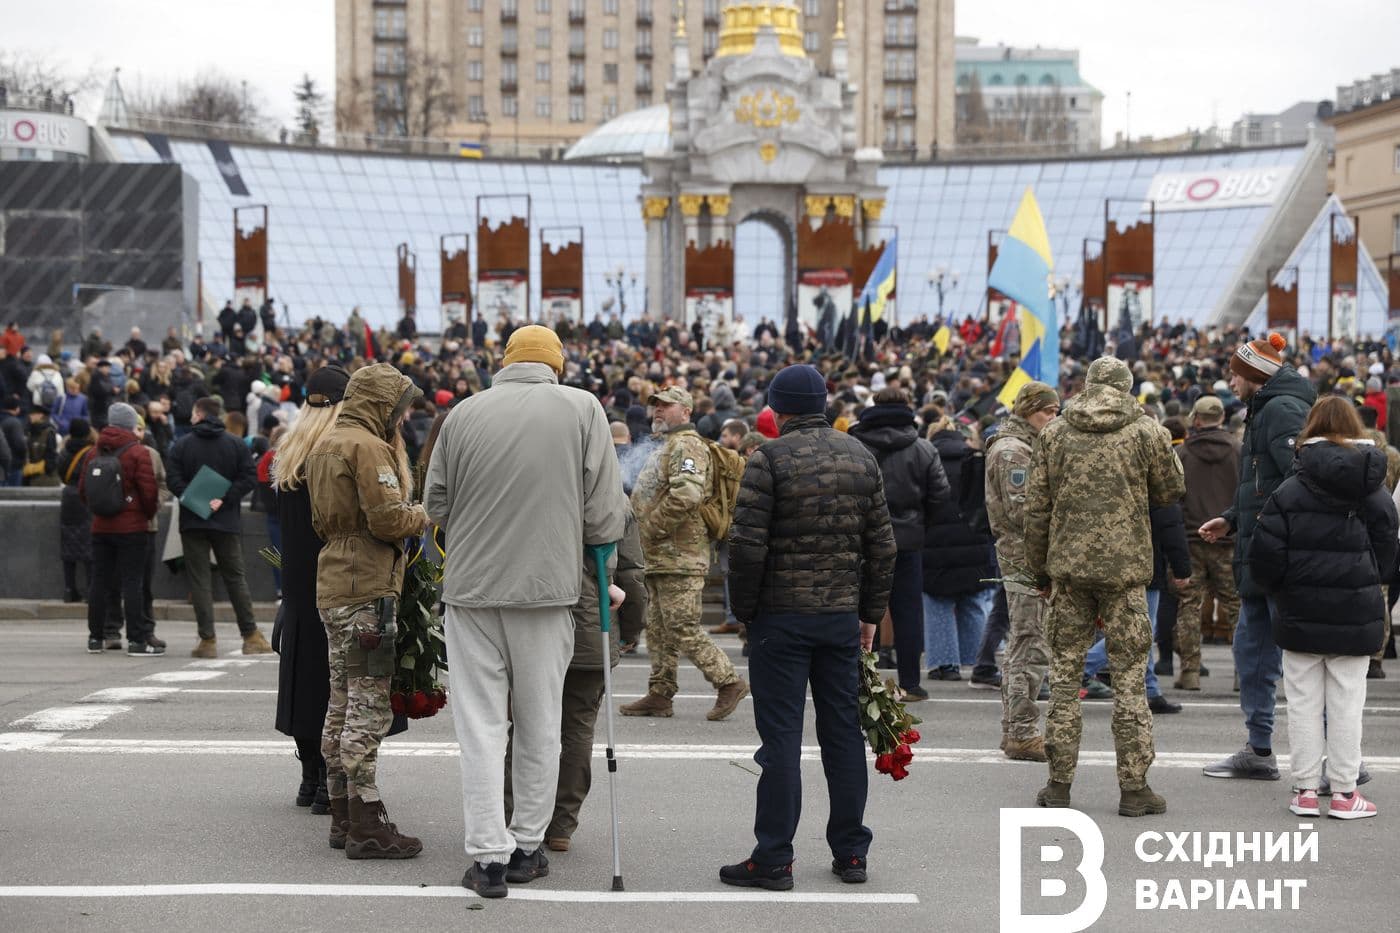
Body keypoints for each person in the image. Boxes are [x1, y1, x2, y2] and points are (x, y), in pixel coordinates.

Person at [424, 325, 627, 898]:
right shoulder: (583, 408)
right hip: (546, 592)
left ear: (505, 362)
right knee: (540, 725)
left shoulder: (463, 413)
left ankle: (487, 858)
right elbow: (605, 514)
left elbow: (435, 503)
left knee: (481, 729)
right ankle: (527, 847)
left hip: (470, 592)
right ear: (556, 365)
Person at [720, 363, 896, 890]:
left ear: (777, 408)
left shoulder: (768, 458)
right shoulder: (859, 456)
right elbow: (883, 547)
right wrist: (869, 614)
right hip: (839, 616)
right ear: (823, 403)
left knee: (781, 741)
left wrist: (746, 613)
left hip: (782, 616)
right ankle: (851, 853)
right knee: (842, 735)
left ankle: (773, 857)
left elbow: (747, 547)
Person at [1024, 356, 1184, 816]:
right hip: (1125, 573)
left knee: (1064, 680)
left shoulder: (1055, 432)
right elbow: (1172, 488)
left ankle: (1058, 786)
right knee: (1131, 683)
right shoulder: (1146, 429)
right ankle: (1134, 789)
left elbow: (1036, 510)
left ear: (1089, 385)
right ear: (1126, 384)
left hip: (1069, 575)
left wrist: (1039, 572)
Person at [1247, 397, 1397, 819]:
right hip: (1356, 609)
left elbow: (1265, 556)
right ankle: (1347, 794)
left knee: (1302, 703)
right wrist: (1369, 579)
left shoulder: (1291, 488)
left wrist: (1282, 589)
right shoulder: (1373, 487)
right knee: (1348, 705)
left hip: (1300, 610)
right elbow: (1389, 546)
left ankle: (1306, 791)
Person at [307, 362, 430, 860]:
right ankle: (369, 825)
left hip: (334, 581)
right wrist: (430, 511)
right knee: (368, 705)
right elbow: (388, 520)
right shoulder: (368, 447)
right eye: (399, 409)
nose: (402, 419)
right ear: (383, 405)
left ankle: (341, 814)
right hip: (367, 588)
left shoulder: (323, 444)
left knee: (339, 703)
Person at [1200, 334, 1315, 781]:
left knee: (1301, 660)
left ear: (1255, 375)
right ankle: (1260, 748)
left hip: (1275, 556)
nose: (1230, 380)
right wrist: (1232, 518)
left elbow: (1299, 478)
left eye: (1235, 373)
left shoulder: (1282, 410)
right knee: (1253, 654)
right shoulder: (1266, 407)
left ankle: (1338, 760)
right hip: (1259, 551)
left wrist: (1267, 528)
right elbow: (1264, 484)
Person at [505, 510, 645, 853]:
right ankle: (562, 825)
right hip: (592, 629)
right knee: (578, 730)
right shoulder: (615, 503)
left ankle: (515, 817)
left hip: (539, 623)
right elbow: (631, 574)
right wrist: (630, 629)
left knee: (525, 727)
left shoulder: (542, 490)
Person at [620, 385, 749, 721]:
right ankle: (660, 694)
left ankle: (728, 681)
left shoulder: (687, 445)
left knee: (681, 625)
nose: (658, 411)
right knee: (659, 628)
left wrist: (648, 529)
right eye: (655, 406)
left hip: (681, 555)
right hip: (663, 556)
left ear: (686, 412)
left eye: (666, 406)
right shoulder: (667, 446)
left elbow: (687, 495)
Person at [272, 365, 350, 827]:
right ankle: (329, 782)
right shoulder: (339, 450)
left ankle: (308, 777)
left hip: (298, 584)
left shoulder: (290, 450)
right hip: (336, 579)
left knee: (303, 681)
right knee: (337, 684)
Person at [849, 387, 949, 701]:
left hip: (863, 537)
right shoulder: (923, 448)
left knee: (860, 606)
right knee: (908, 611)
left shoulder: (854, 445)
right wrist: (920, 525)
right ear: (908, 406)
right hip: (907, 539)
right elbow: (940, 495)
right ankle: (911, 683)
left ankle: (859, 676)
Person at [984, 381, 1059, 761]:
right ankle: (1022, 731)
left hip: (1025, 556)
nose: (1052, 418)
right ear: (1028, 409)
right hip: (1025, 557)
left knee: (1024, 644)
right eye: (1047, 411)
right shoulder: (1015, 451)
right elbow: (1023, 511)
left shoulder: (1027, 446)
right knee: (1030, 644)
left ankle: (1015, 728)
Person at [166, 396, 269, 658]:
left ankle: (207, 640)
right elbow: (248, 477)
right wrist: (223, 499)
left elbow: (173, 480)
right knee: (235, 577)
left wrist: (194, 497)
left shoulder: (182, 445)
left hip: (192, 520)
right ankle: (251, 635)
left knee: (200, 581)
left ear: (199, 414)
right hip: (226, 521)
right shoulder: (235, 444)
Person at [77, 403, 161, 655]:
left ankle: (95, 638)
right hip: (132, 528)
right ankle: (136, 640)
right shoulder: (137, 452)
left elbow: (83, 490)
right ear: (129, 423)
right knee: (132, 583)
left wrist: (100, 511)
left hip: (100, 527)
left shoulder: (93, 452)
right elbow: (149, 491)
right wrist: (145, 514)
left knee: (99, 582)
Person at [921, 411, 996, 683]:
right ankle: (975, 662)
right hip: (973, 540)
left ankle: (945, 664)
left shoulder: (926, 459)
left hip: (934, 543)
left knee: (938, 602)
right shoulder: (974, 459)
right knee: (973, 602)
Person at [1173, 395, 1239, 690]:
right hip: (1229, 538)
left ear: (1196, 420)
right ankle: (1243, 673)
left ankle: (1190, 672)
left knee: (1189, 605)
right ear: (1222, 418)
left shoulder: (1183, 453)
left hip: (1192, 538)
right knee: (1237, 606)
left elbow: (1173, 496)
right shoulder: (1239, 450)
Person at [57, 419, 97, 605]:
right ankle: (90, 590)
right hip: (85, 497)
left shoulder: (64, 451)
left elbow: (61, 474)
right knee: (88, 545)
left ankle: (69, 589)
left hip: (68, 497)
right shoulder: (91, 452)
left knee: (68, 544)